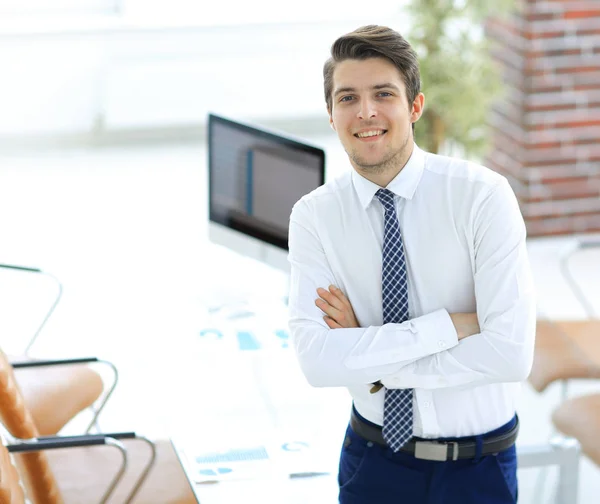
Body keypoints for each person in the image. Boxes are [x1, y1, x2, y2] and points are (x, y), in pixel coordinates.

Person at [287, 25, 536, 504]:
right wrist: (450, 326)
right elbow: (318, 362)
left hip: (477, 469)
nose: (366, 112)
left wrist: (369, 356)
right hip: (373, 458)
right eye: (347, 98)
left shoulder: (482, 198)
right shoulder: (314, 216)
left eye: (384, 94)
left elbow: (509, 354)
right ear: (331, 114)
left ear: (415, 106)